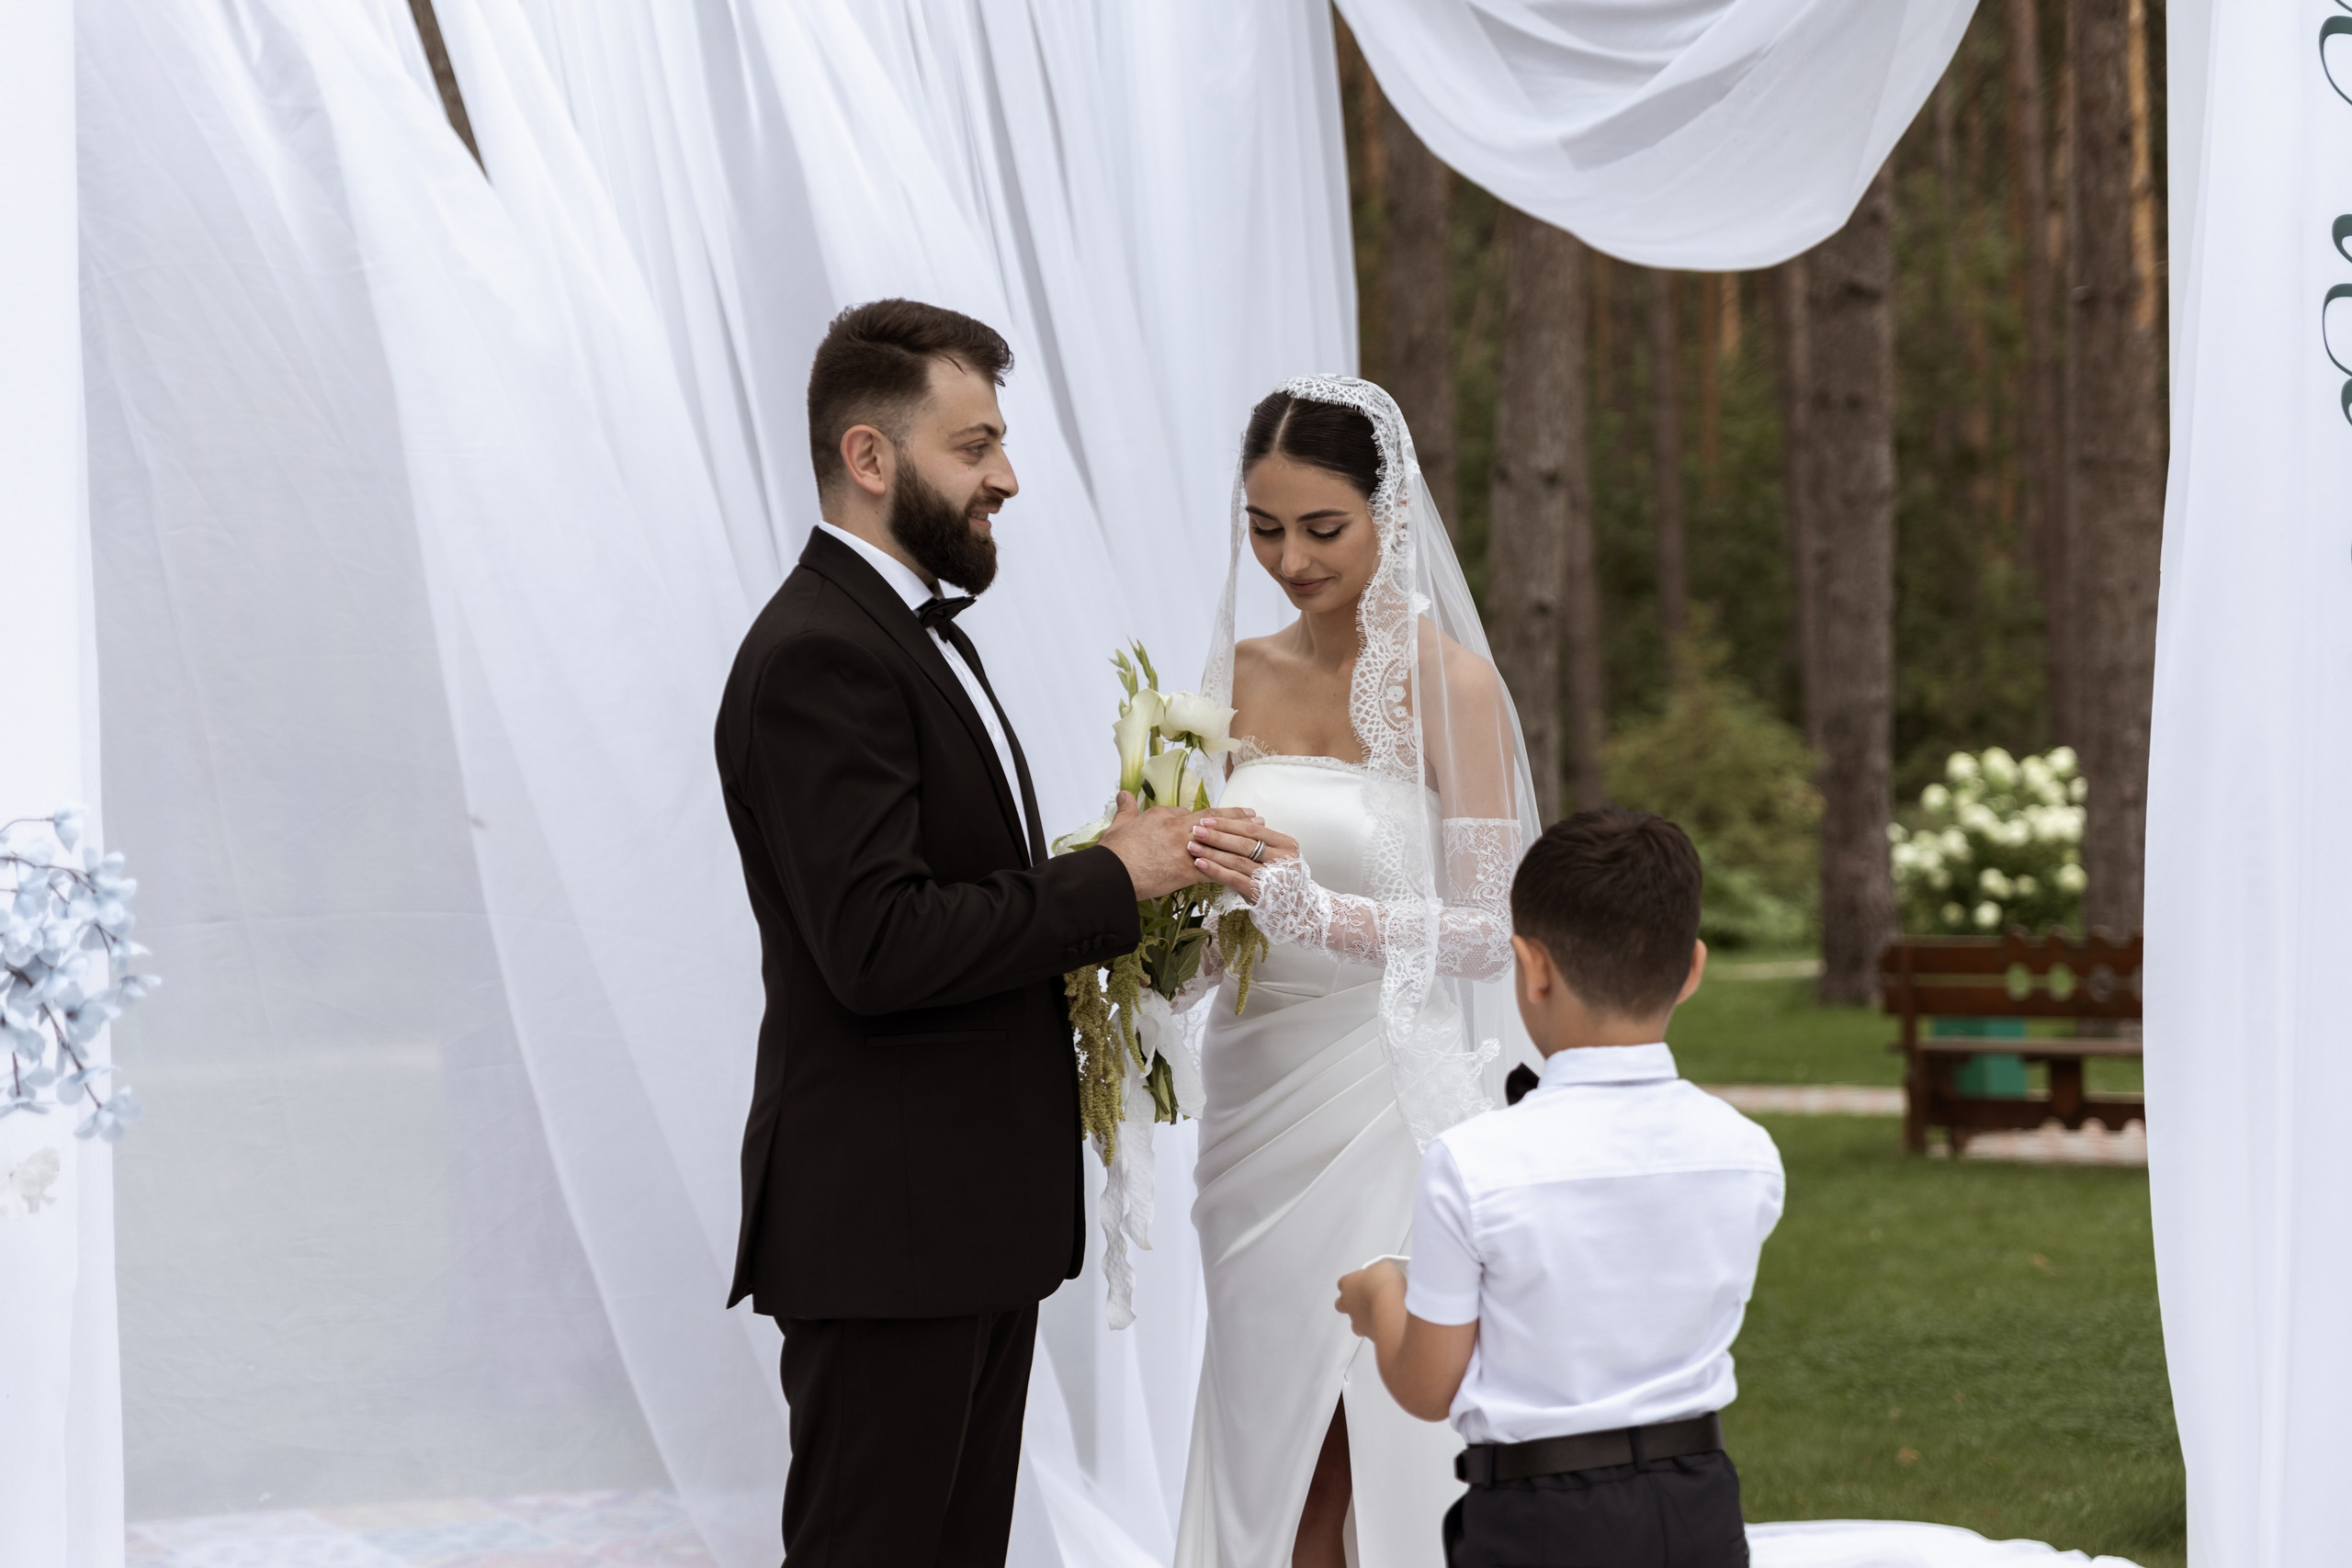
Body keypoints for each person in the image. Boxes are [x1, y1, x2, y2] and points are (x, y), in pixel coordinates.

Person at [712, 299, 1238, 1567]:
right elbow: (877, 944)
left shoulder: (902, 635)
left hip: (956, 1223)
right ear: (870, 457)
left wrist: (1117, 865)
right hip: (890, 1226)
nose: (1005, 475)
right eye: (975, 444)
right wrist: (1105, 880)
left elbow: (932, 889)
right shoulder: (818, 655)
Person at [1174, 376, 1544, 1567]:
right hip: (1254, 1083)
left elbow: (1494, 934)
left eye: (1321, 527)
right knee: (1262, 1397)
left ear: (1389, 513)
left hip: (1384, 1088)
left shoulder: (1457, 687)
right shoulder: (1226, 678)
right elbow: (1184, 879)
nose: (1290, 557)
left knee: (1366, 1412)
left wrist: (1321, 911)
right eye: (1264, 526)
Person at [1332, 810, 1786, 1568]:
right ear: (1694, 968)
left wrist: (1382, 1295)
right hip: (1699, 1507)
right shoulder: (1747, 1154)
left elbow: (1428, 1385)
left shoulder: (1474, 1161)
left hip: (1540, 1522)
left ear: (1533, 966)